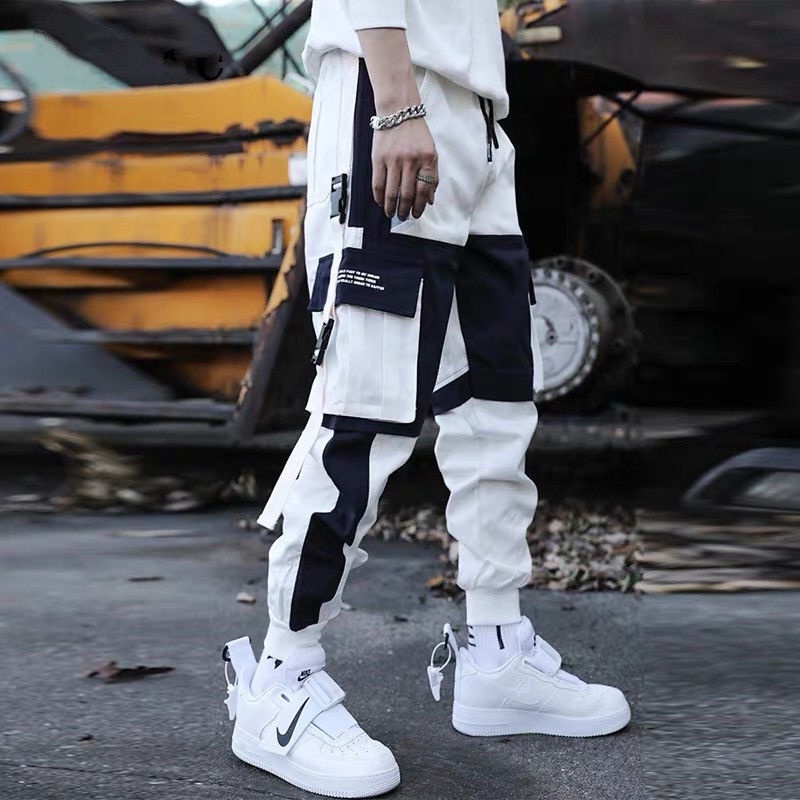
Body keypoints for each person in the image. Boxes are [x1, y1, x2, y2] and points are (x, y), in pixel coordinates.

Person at [222, 1, 631, 796]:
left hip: (477, 119)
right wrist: (398, 104)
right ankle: (280, 675)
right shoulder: (391, 100)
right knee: (365, 407)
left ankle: (495, 652)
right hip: (389, 97)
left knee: (496, 409)